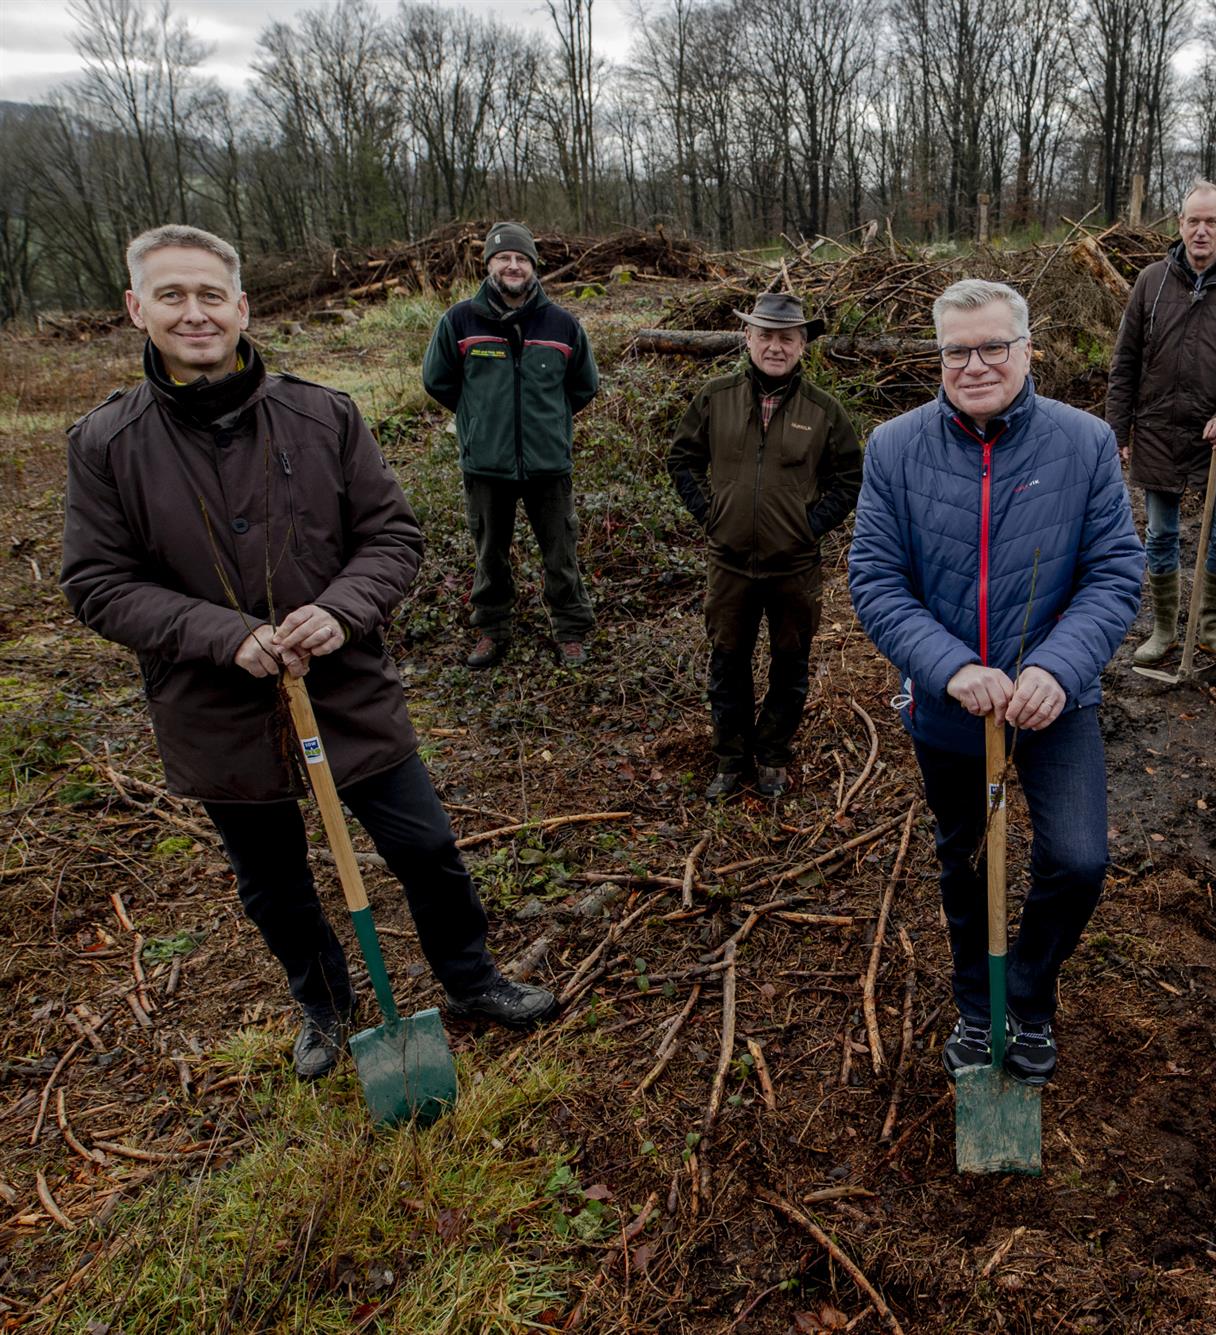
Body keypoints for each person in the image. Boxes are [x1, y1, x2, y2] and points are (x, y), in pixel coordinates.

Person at [61, 225, 559, 1079]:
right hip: (214, 713)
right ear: (136, 308)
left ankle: (472, 979)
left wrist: (339, 610)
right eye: (173, 295)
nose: (195, 313)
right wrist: (227, 636)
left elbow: (392, 537)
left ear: (242, 307)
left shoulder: (322, 413)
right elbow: (98, 583)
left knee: (427, 848)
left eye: (211, 294)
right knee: (272, 884)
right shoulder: (106, 443)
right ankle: (325, 1002)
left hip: (348, 691)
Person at [848, 279, 1144, 1085]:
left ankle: (1029, 997)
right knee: (968, 864)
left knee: (1078, 862)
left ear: (1026, 348)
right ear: (938, 355)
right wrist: (948, 667)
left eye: (992, 347)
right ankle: (981, 1011)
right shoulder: (894, 448)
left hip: (1056, 703)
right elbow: (875, 579)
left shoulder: (1083, 444)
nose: (975, 364)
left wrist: (1057, 665)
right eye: (956, 350)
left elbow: (1116, 571)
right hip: (951, 707)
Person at [667, 293, 863, 801]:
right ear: (748, 339)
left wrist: (809, 526)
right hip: (729, 563)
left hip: (794, 566)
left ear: (803, 346)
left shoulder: (824, 411)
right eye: (766, 336)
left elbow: (849, 477)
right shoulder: (716, 397)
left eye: (787, 338)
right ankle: (730, 760)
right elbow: (682, 459)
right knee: (727, 662)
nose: (776, 347)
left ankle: (774, 756)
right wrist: (711, 514)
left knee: (790, 663)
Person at [1106, 179, 1216, 664]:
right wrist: (1119, 430)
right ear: (1179, 225)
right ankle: (1163, 630)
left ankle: (1211, 627)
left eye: (1210, 221)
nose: (1201, 231)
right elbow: (1126, 361)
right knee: (1160, 534)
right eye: (1192, 221)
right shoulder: (1150, 281)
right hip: (1158, 430)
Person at [422, 221, 600, 669]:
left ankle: (571, 631)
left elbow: (584, 386)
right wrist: (480, 421)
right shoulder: (459, 320)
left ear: (534, 267)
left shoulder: (562, 324)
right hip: (486, 464)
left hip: (547, 465)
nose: (513, 265)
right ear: (488, 266)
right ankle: (492, 629)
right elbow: (438, 381)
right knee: (489, 556)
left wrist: (548, 424)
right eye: (504, 258)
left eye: (521, 259)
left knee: (561, 554)